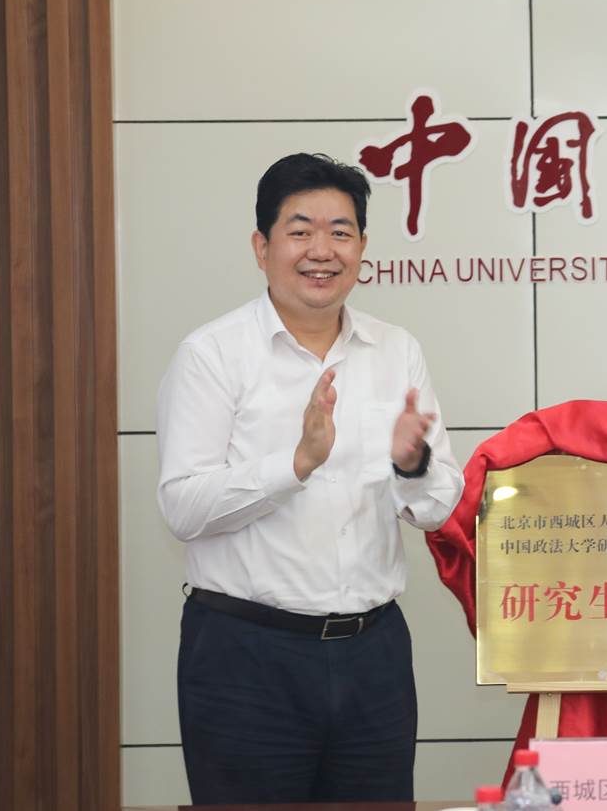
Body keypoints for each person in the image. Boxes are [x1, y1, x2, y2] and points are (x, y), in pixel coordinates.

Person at [156, 152, 463, 804]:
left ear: (362, 248)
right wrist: (295, 464)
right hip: (246, 658)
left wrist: (410, 465)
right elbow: (182, 507)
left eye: (340, 232)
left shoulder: (396, 350)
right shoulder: (212, 355)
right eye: (300, 231)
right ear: (261, 246)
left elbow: (437, 506)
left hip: (374, 656)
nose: (322, 250)